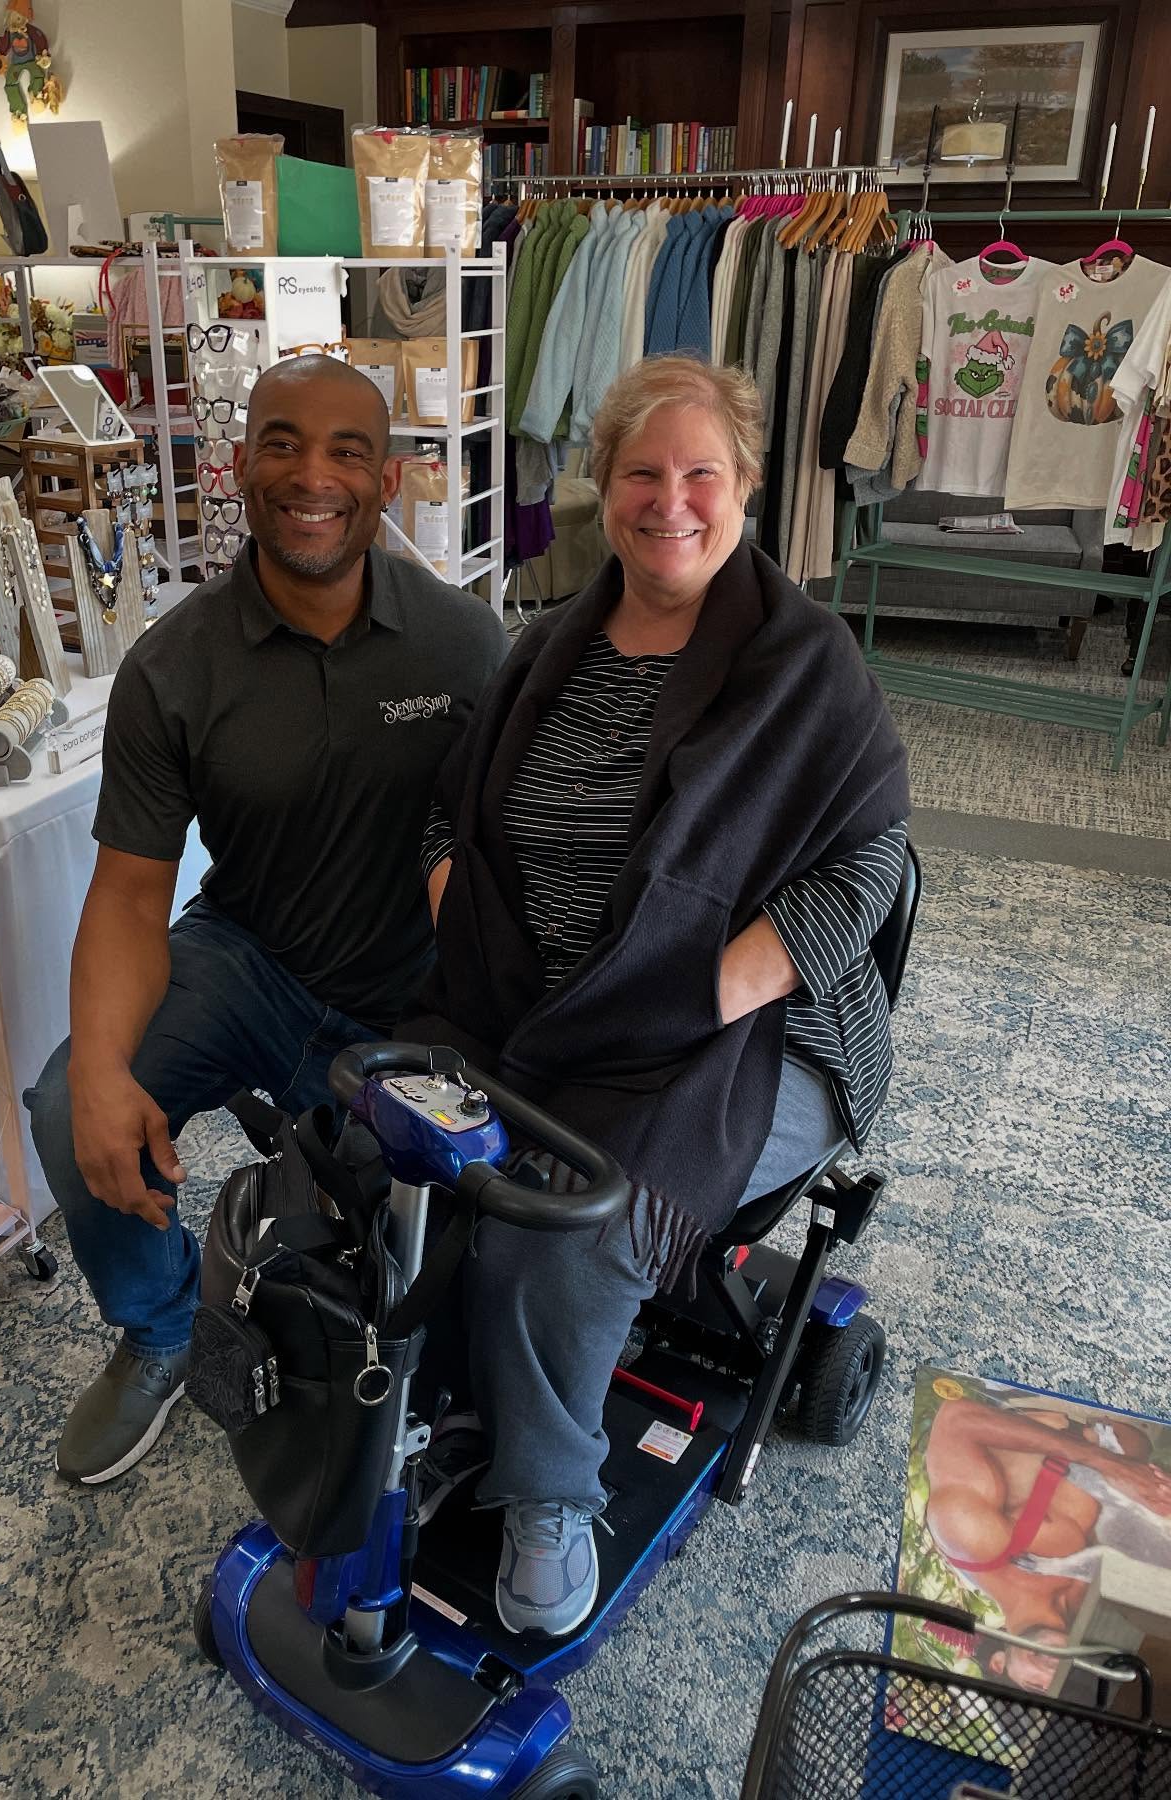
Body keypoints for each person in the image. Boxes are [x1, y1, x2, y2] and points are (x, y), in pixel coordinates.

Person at [401, 355, 911, 1637]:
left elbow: (875, 854)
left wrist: (735, 974)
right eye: (643, 471)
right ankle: (457, 1406)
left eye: (701, 474)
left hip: (761, 1031)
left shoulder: (806, 663)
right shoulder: (545, 651)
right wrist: (452, 891)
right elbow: (443, 807)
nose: (669, 501)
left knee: (567, 1224)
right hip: (555, 1008)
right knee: (399, 1141)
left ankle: (549, 1494)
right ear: (606, 486)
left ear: (743, 488)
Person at [28, 355, 506, 1486]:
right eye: (283, 442)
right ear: (237, 466)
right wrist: (101, 1071)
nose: (313, 475)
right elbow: (132, 893)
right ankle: (160, 1327)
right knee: (64, 1106)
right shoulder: (172, 667)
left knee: (438, 1284)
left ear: (388, 480)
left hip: (411, 996)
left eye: (347, 451)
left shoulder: (464, 645)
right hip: (246, 963)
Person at [925, 1395, 1171, 1691]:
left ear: (999, 1663)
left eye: (1035, 1685)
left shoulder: (975, 1544)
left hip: (1064, 1393)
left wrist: (1110, 1463)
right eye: (1059, 1683)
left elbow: (955, 1420)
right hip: (1146, 1421)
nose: (1052, 1672)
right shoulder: (1096, 1609)